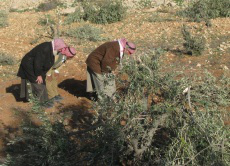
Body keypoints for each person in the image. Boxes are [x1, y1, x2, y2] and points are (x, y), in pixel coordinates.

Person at [17, 38, 70, 107]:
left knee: (42, 81)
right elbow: (37, 62)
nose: (60, 50)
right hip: (30, 65)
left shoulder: (50, 47)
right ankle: (41, 102)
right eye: (60, 48)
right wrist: (38, 75)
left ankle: (41, 99)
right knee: (37, 82)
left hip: (36, 66)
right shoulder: (45, 48)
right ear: (57, 45)